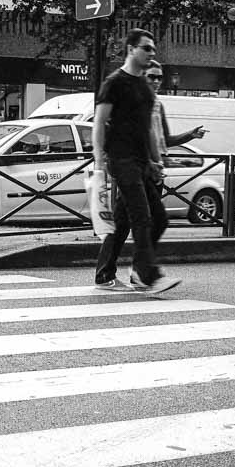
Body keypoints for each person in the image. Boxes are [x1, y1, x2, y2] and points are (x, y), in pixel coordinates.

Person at [94, 64, 204, 289]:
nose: (156, 81)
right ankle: (139, 271)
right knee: (144, 220)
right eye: (152, 76)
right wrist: (103, 158)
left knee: (125, 223)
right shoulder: (129, 97)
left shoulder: (156, 104)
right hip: (133, 166)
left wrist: (187, 137)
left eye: (159, 78)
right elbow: (110, 126)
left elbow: (162, 137)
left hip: (149, 168)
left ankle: (116, 272)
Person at [91, 29, 180, 295]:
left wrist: (155, 161)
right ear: (131, 49)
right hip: (121, 159)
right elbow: (99, 122)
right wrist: (99, 160)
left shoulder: (145, 87)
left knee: (158, 219)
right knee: (142, 217)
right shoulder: (114, 82)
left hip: (142, 163)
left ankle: (109, 272)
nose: (151, 53)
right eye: (146, 48)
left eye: (152, 49)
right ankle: (147, 275)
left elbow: (149, 130)